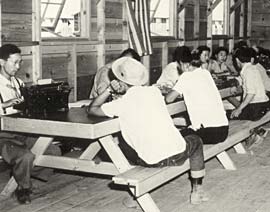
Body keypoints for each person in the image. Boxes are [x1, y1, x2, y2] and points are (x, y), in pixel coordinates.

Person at [87, 57, 207, 205]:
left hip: (150, 160)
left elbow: (92, 110)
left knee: (123, 147)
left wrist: (109, 90)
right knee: (196, 140)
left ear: (121, 82)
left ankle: (134, 197)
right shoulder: (154, 92)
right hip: (177, 154)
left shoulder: (121, 104)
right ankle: (197, 189)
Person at [0, 44, 61, 204]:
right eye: (15, 63)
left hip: (22, 131)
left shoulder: (18, 83)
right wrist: (5, 104)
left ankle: (22, 174)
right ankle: (23, 188)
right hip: (3, 136)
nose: (18, 67)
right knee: (26, 156)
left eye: (20, 62)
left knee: (54, 150)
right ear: (1, 62)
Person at [165, 55, 229, 146]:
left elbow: (169, 99)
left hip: (209, 132)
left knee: (171, 140)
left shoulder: (186, 76)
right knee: (185, 131)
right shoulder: (206, 73)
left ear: (185, 64)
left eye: (179, 66)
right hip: (223, 131)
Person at [230, 47, 270, 121]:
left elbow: (251, 93)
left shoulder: (247, 71)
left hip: (256, 107)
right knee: (232, 112)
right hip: (262, 104)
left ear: (237, 60)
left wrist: (239, 109)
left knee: (228, 115)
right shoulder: (252, 68)